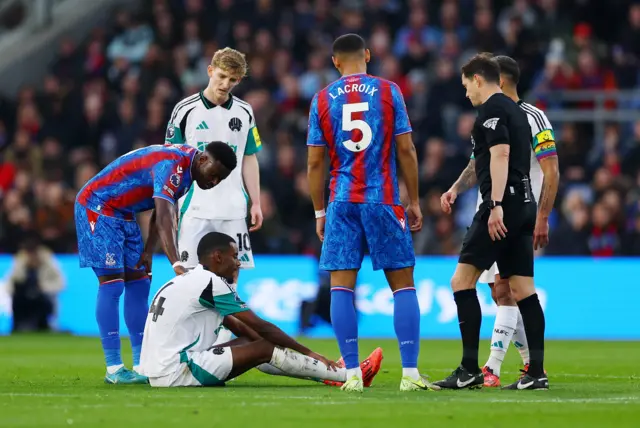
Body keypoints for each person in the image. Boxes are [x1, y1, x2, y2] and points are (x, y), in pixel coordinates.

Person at [306, 33, 437, 393]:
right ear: (367, 55)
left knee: (341, 288)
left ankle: (350, 374)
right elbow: (406, 149)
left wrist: (320, 210)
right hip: (382, 198)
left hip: (342, 201)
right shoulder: (388, 91)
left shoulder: (320, 100)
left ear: (335, 62)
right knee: (403, 284)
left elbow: (315, 161)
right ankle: (410, 374)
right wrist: (413, 199)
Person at [74, 142, 237, 384]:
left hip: (124, 213)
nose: (213, 182)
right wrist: (176, 263)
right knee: (112, 284)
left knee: (140, 282)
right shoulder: (173, 165)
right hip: (98, 206)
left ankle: (141, 364)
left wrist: (149, 251)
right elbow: (163, 216)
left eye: (219, 180)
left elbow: (159, 210)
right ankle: (114, 368)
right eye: (213, 175)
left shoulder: (187, 173)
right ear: (203, 160)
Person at [441, 55, 559, 387]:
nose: (466, 94)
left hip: (501, 206)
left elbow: (501, 154)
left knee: (462, 282)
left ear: (481, 79)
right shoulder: (518, 114)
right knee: (521, 289)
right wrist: (455, 189)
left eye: (466, 86)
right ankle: (535, 371)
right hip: (524, 204)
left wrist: (493, 204)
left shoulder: (493, 109)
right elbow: (485, 158)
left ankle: (471, 369)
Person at [138, 232, 383, 388]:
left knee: (255, 343)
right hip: (177, 371)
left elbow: (242, 327)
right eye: (234, 256)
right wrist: (310, 352)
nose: (238, 262)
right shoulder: (210, 283)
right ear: (217, 257)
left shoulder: (188, 279)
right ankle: (345, 375)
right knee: (264, 346)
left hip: (160, 370)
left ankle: (329, 373)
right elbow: (262, 326)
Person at [165, 47, 263, 345]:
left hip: (233, 209)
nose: (225, 84)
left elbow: (249, 157)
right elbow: (170, 159)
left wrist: (255, 201)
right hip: (194, 208)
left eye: (232, 80)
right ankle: (184, 340)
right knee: (188, 277)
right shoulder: (185, 109)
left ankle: (218, 340)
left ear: (239, 80)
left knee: (231, 280)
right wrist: (170, 201)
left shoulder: (244, 111)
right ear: (210, 71)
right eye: (221, 76)